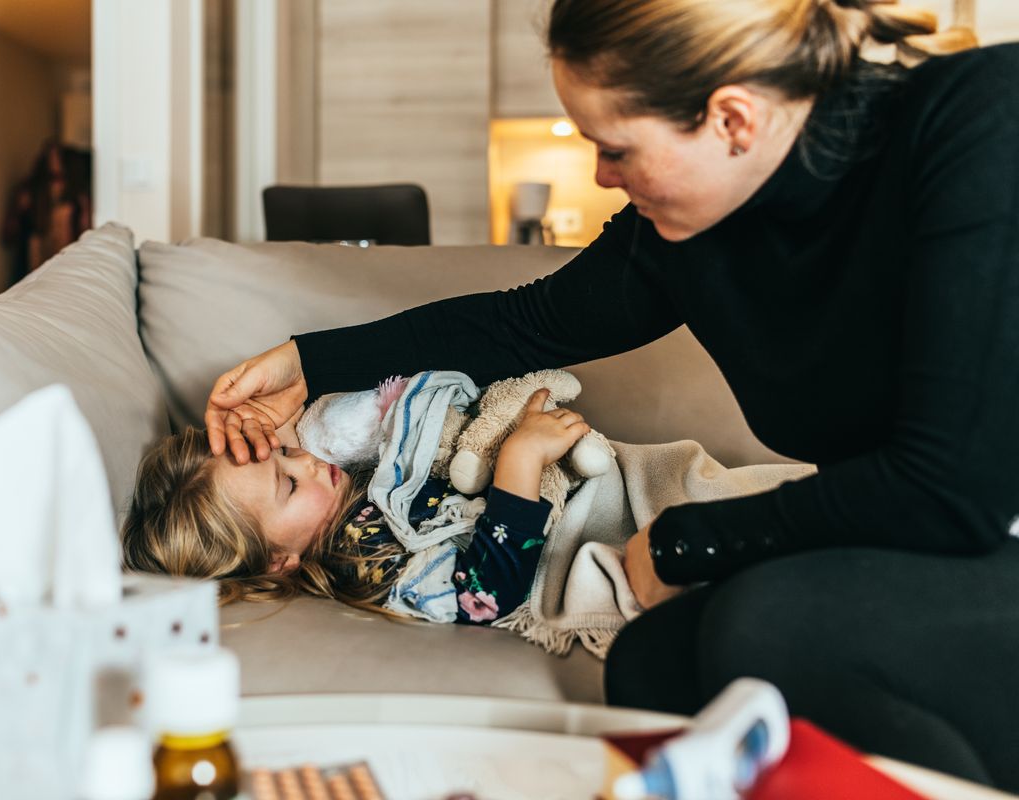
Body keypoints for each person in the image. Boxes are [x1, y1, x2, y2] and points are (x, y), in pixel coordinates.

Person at [203, 0, 1019, 790]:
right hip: (936, 544)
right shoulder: (692, 227)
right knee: (650, 666)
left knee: (770, 624)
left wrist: (684, 541)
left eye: (615, 148)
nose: (599, 174)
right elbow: (525, 325)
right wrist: (309, 363)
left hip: (973, 518)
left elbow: (950, 487)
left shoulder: (976, 122)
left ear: (732, 120)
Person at [123, 389, 590, 624]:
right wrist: (520, 459)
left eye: (286, 454)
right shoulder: (357, 555)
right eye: (288, 486)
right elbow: (482, 598)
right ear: (276, 561)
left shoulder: (350, 485)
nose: (306, 461)